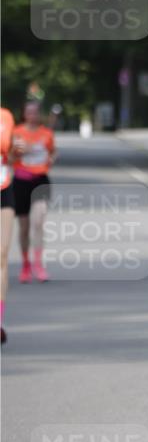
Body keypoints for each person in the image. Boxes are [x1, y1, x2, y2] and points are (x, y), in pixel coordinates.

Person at [13, 101, 56, 283]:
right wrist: (19, 152)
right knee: (24, 227)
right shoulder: (16, 132)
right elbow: (9, 156)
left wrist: (52, 158)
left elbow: (53, 152)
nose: (32, 115)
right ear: (24, 114)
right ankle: (25, 265)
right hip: (21, 181)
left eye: (35, 112)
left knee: (38, 223)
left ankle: (38, 265)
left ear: (39, 114)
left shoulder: (46, 133)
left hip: (40, 181)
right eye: (29, 112)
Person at [1, 107, 17, 343]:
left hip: (3, 187)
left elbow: (11, 156)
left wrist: (16, 152)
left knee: (2, 255)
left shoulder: (5, 116)